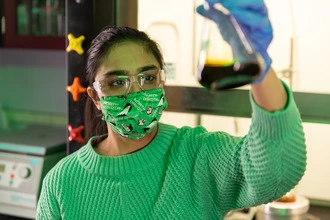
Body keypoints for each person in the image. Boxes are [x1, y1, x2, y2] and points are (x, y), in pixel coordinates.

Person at [36, 0, 307, 219]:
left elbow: (278, 170)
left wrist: (258, 67)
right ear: (95, 97)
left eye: (148, 78)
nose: (136, 92)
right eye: (117, 82)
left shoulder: (197, 156)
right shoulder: (61, 184)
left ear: (161, 83)